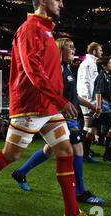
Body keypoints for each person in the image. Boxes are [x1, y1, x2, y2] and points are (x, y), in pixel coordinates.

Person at [0, 0, 106, 216]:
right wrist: (60, 100)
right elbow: (32, 70)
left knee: (65, 152)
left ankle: (71, 212)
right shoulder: (29, 28)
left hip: (49, 107)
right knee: (12, 155)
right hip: (30, 106)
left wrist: (57, 101)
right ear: (42, 1)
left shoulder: (47, 31)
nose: (62, 4)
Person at [12, 38, 105, 204]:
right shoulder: (56, 71)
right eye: (70, 47)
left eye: (74, 46)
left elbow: (72, 97)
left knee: (50, 151)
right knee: (78, 148)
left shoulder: (67, 70)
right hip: (61, 117)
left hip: (67, 116)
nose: (74, 50)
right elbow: (52, 95)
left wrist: (92, 106)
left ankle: (20, 173)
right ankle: (80, 191)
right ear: (60, 50)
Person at [76, 42, 103, 158]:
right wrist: (90, 100)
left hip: (86, 97)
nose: (102, 52)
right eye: (100, 50)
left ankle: (84, 149)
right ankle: (82, 150)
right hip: (86, 98)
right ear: (94, 51)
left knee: (88, 124)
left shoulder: (90, 63)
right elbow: (86, 82)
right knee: (88, 124)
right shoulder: (89, 63)